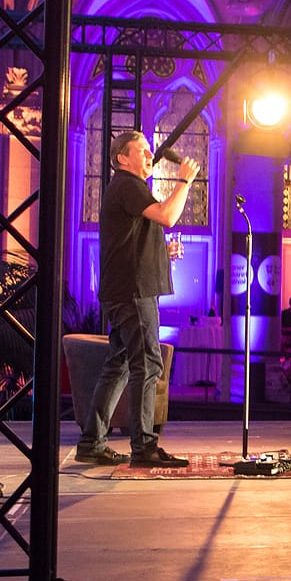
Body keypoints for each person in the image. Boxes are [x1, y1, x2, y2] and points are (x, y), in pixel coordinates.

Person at [75, 131, 198, 467]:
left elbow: (132, 240)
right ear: (122, 158)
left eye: (149, 149)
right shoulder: (128, 184)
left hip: (124, 289)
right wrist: (184, 181)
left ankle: (91, 443)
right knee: (148, 363)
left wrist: (162, 251)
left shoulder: (127, 188)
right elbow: (167, 216)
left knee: (118, 364)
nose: (149, 154)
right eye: (141, 150)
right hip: (133, 292)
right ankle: (143, 447)